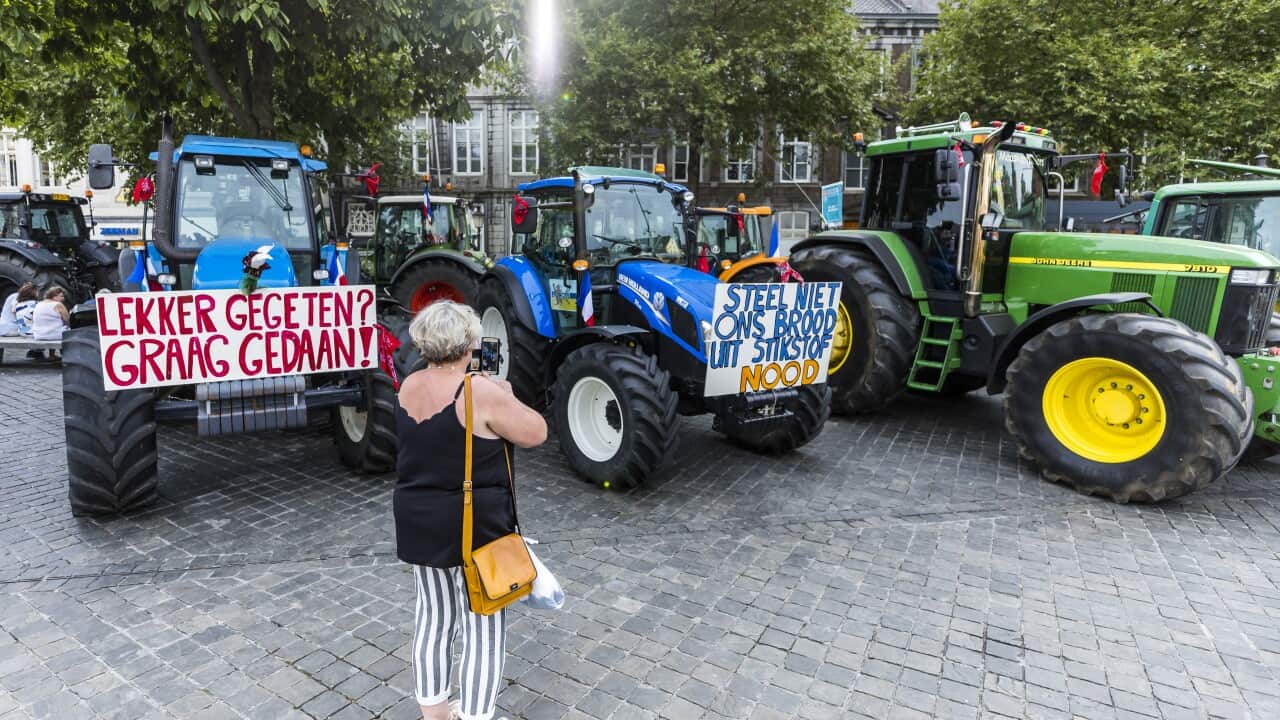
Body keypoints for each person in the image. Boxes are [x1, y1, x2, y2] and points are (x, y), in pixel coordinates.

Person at [395, 301, 546, 720]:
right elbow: (536, 432)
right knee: (484, 626)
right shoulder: (477, 390)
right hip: (474, 528)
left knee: (433, 618)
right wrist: (505, 394)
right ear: (469, 344)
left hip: (418, 520)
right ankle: (476, 715)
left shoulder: (409, 384)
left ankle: (436, 714)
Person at [30, 286, 70, 360]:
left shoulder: (39, 304)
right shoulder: (58, 305)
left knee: (53, 326)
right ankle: (66, 355)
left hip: (39, 335)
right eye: (61, 296)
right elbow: (67, 320)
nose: (63, 298)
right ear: (54, 296)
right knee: (68, 329)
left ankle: (52, 355)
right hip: (54, 335)